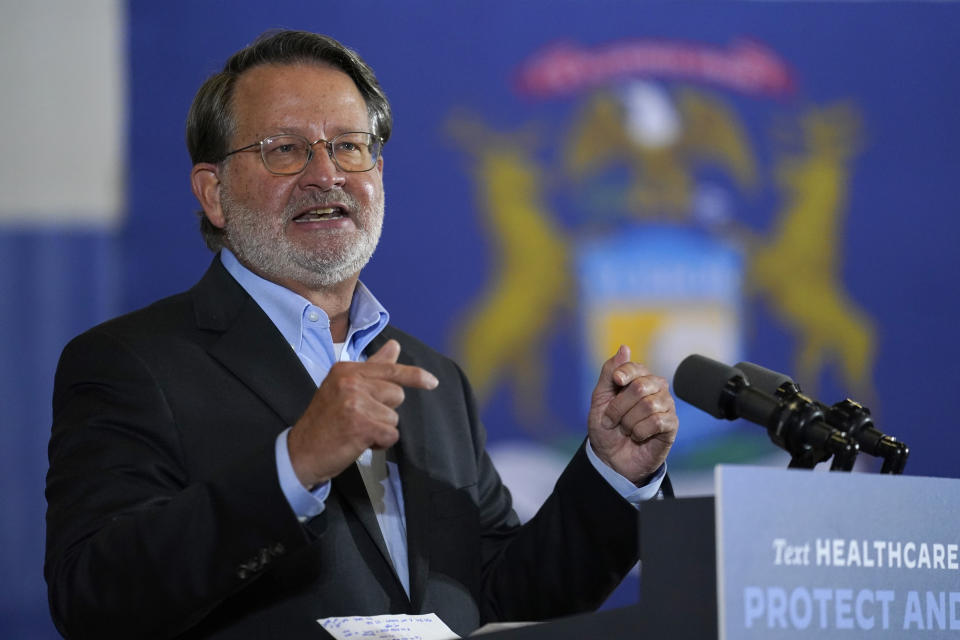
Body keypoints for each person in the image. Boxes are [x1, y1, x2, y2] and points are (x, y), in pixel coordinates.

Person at [44, 30, 679, 640]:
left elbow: (501, 598)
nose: (327, 175)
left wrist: (612, 476)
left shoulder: (434, 380)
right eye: (284, 149)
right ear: (214, 193)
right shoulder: (133, 363)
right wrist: (294, 465)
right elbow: (94, 597)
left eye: (350, 145)